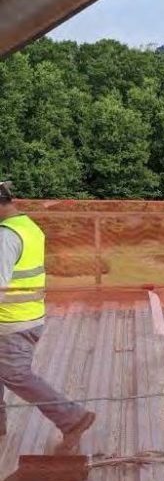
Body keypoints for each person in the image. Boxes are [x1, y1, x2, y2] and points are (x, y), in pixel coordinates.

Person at [0, 182, 95, 452]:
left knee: (15, 374)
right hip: (27, 315)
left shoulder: (6, 237)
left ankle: (72, 418)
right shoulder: (28, 226)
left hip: (12, 322)